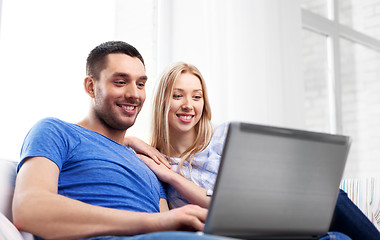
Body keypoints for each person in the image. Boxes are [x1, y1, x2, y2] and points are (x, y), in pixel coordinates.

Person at [12, 41, 241, 240]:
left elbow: (168, 222)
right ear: (91, 87)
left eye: (140, 84)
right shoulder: (56, 132)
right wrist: (157, 222)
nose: (134, 94)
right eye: (120, 82)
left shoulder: (150, 164)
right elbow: (29, 209)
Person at [138, 62, 380, 240]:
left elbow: (243, 195)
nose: (188, 105)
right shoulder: (158, 164)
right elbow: (212, 211)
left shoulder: (222, 136)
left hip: (274, 218)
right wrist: (133, 142)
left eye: (197, 96)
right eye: (177, 96)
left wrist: (170, 174)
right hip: (238, 234)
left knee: (331, 196)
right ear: (162, 102)